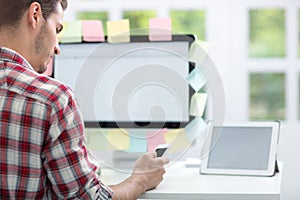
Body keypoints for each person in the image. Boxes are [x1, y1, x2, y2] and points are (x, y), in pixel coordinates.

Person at [0, 0, 169, 199]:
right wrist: (141, 178)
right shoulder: (52, 100)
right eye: (57, 28)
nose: (57, 48)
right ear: (35, 14)